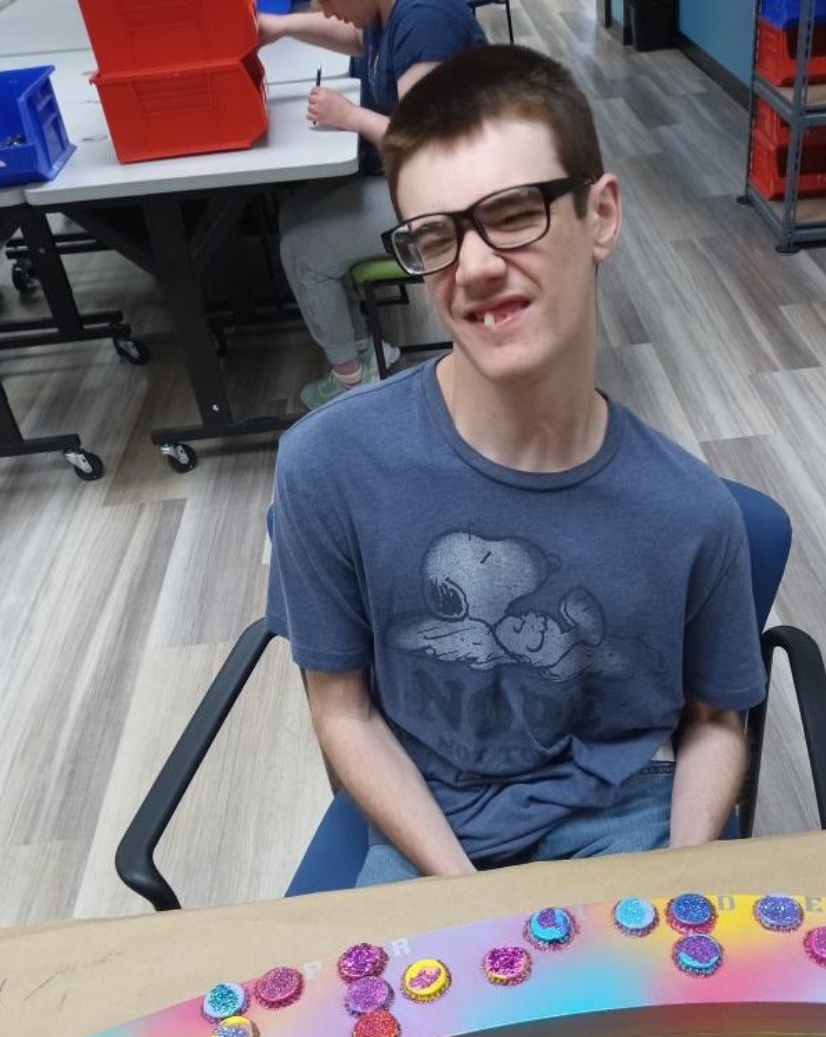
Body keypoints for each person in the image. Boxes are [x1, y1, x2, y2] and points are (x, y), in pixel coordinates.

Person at [267, 44, 767, 888]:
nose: (474, 266)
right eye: (435, 236)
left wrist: (683, 880)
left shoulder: (690, 511)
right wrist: (462, 893)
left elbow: (717, 720)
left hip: (623, 815)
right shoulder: (329, 466)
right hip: (428, 825)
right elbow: (341, 709)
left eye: (511, 213)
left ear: (600, 215)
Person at [259, 0, 485, 409]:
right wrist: (280, 26)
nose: (324, 10)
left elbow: (425, 145)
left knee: (302, 249)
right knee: (293, 212)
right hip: (416, 181)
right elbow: (355, 36)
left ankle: (351, 385)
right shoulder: (387, 11)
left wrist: (350, 116)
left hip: (455, 199)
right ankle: (363, 348)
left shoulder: (424, 21)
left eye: (327, 0)